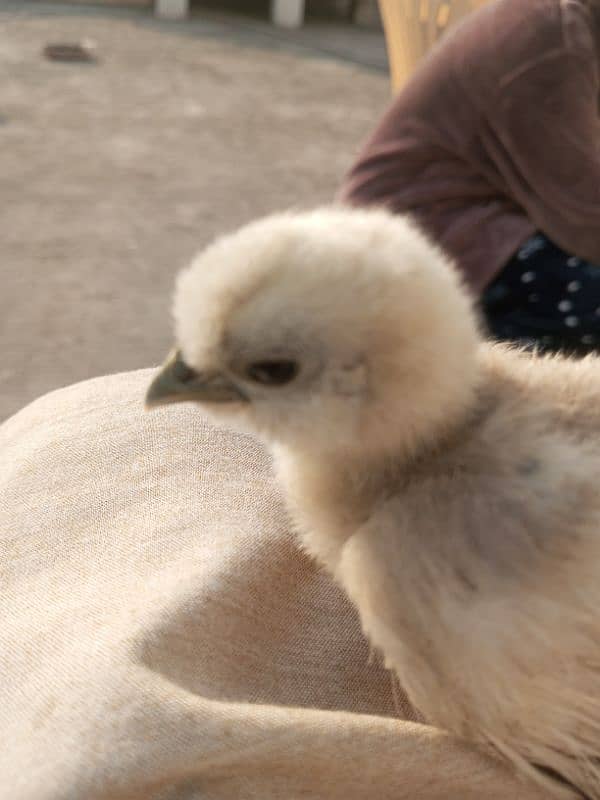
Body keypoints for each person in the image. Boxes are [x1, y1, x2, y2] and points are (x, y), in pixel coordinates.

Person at [339, 0, 600, 355]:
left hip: (496, 216)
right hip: (419, 242)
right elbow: (585, 216)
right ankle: (507, 388)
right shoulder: (553, 40)